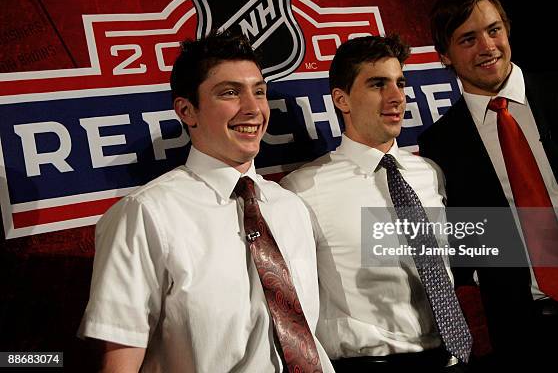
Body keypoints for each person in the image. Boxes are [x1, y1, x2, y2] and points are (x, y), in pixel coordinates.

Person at [78, 30, 334, 373]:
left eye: (259, 91)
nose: (253, 108)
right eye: (230, 93)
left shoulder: (291, 207)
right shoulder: (146, 214)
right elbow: (121, 362)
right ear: (187, 110)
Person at [418, 0, 558, 371]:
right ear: (445, 56)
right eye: (468, 39)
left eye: (494, 30)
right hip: (529, 335)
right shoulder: (441, 143)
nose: (487, 46)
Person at [281, 35, 472, 372]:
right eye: (377, 84)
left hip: (451, 357)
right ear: (342, 99)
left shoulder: (429, 173)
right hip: (367, 363)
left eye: (400, 83)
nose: (397, 97)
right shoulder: (302, 190)